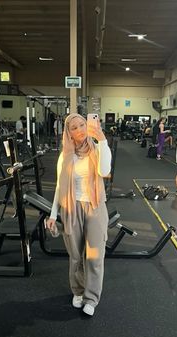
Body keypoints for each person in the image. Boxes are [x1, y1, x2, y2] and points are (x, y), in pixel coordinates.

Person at [46, 113, 111, 316]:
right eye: (74, 127)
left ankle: (91, 298)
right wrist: (53, 215)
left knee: (94, 256)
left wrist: (101, 139)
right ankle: (78, 291)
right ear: (69, 133)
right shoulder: (65, 155)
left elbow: (105, 170)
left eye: (82, 124)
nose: (80, 129)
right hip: (71, 208)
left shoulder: (97, 149)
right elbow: (59, 187)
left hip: (95, 207)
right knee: (75, 256)